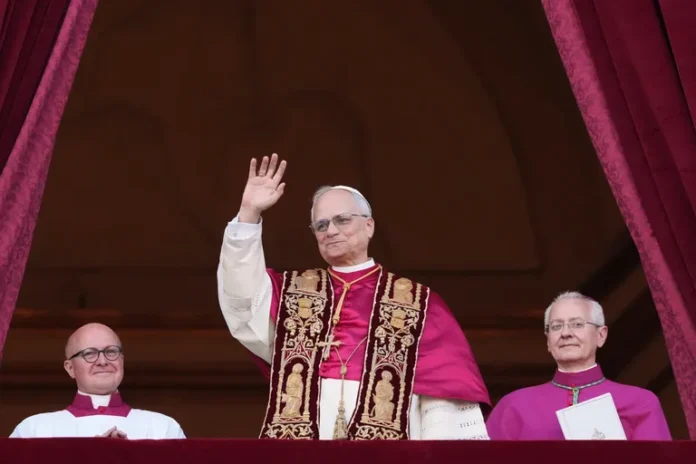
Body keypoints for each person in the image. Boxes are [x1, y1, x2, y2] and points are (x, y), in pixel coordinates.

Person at [216, 153, 491, 440]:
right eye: (321, 225)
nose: (331, 230)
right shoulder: (292, 293)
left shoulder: (419, 303)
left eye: (342, 220)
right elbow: (242, 298)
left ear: (369, 226)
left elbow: (444, 398)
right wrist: (248, 214)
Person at [486, 291, 672, 440]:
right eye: (556, 326)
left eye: (577, 324)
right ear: (548, 341)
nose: (566, 333)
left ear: (601, 335)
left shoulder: (640, 403)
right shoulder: (513, 406)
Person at [9, 323, 185, 439]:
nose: (102, 361)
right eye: (90, 353)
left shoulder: (163, 428)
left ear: (122, 360)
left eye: (111, 351)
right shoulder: (34, 430)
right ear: (70, 368)